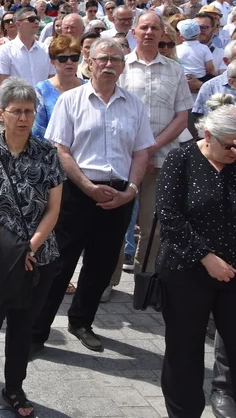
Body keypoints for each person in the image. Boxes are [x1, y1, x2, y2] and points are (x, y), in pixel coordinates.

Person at [32, 38, 154, 355]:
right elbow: (60, 149)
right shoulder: (71, 101)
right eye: (103, 59)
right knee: (60, 265)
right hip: (77, 192)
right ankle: (37, 330)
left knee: (100, 266)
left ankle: (81, 321)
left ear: (123, 65)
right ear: (91, 61)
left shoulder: (135, 105)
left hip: (119, 194)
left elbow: (142, 152)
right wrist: (86, 186)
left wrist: (132, 190)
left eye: (116, 59)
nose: (109, 64)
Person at [0, 78, 65, 418]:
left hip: (40, 256)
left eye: (29, 111)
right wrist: (12, 250)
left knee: (23, 326)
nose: (23, 118)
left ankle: (14, 387)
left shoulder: (47, 151)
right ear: (2, 114)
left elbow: (54, 208)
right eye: (16, 111)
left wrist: (31, 248)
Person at [157, 94, 236, 418]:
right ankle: (184, 410)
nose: (235, 152)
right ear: (207, 136)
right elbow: (169, 215)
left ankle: (226, 392)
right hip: (185, 271)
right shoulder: (182, 160)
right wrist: (206, 257)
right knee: (184, 349)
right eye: (229, 145)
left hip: (233, 273)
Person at [112, 11, 191, 290]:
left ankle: (144, 286)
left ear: (162, 34)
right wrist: (137, 151)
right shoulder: (120, 66)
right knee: (116, 226)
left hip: (161, 161)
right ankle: (107, 283)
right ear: (133, 32)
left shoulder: (175, 70)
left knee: (153, 228)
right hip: (122, 159)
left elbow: (182, 117)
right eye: (143, 27)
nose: (148, 32)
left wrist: (149, 148)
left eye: (154, 28)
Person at [32, 36, 84, 139]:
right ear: (52, 61)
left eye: (74, 58)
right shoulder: (42, 89)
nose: (69, 62)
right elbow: (38, 129)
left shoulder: (87, 87)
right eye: (63, 58)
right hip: (52, 150)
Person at [0, 8, 50, 85]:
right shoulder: (5, 51)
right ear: (18, 24)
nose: (37, 22)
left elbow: (52, 79)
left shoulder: (46, 50)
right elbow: (2, 83)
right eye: (31, 19)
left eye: (37, 18)